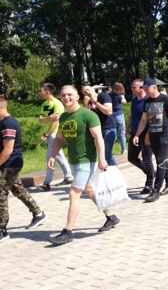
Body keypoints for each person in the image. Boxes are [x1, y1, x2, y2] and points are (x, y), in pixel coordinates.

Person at [48, 86, 119, 246]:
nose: (66, 97)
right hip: (74, 161)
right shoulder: (64, 117)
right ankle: (111, 216)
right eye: (63, 95)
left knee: (74, 193)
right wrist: (52, 155)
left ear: (77, 96)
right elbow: (59, 138)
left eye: (70, 94)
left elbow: (99, 138)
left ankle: (67, 232)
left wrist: (102, 158)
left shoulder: (88, 115)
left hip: (87, 161)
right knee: (89, 190)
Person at [0, 96, 48, 243]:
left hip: (9, 163)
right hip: (11, 162)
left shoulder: (7, 123)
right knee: (17, 189)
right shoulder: (5, 122)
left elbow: (8, 149)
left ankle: (2, 230)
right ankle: (38, 213)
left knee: (0, 194)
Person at [133, 78, 168, 203]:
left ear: (154, 87)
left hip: (164, 135)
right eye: (144, 89)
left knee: (160, 161)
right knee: (162, 160)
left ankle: (156, 190)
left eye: (147, 88)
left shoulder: (165, 99)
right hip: (153, 135)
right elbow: (144, 120)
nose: (145, 91)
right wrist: (138, 135)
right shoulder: (147, 102)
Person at [38, 83, 73, 191]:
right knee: (59, 155)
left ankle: (47, 183)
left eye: (41, 90)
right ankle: (69, 177)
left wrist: (47, 134)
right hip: (50, 134)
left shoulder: (57, 104)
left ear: (47, 92)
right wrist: (50, 117)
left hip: (56, 133)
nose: (39, 92)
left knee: (50, 157)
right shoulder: (44, 104)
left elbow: (56, 121)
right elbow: (41, 120)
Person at [127, 79, 155, 194]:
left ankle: (149, 184)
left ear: (141, 88)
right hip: (135, 133)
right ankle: (151, 173)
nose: (132, 89)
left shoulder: (148, 100)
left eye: (134, 87)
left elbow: (151, 119)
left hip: (146, 133)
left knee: (147, 159)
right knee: (131, 157)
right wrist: (127, 127)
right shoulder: (134, 100)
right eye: (132, 87)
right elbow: (132, 115)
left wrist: (148, 134)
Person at [82, 85, 117, 166]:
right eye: (85, 92)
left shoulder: (103, 96)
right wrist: (86, 104)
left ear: (93, 89)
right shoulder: (88, 101)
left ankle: (113, 171)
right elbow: (88, 116)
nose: (87, 92)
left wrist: (95, 102)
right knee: (105, 155)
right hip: (99, 130)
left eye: (88, 90)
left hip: (109, 128)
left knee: (107, 155)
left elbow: (109, 112)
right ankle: (111, 170)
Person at [111, 82, 127, 155]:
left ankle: (109, 149)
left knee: (114, 132)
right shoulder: (119, 97)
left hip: (112, 115)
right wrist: (123, 97)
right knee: (122, 133)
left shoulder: (110, 96)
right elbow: (124, 102)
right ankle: (124, 149)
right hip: (119, 115)